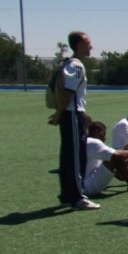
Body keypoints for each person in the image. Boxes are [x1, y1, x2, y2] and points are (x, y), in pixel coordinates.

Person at [48, 31, 97, 210]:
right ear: (78, 45)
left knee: (68, 157)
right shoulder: (76, 66)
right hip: (72, 116)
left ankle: (67, 195)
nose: (90, 46)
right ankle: (77, 197)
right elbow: (68, 93)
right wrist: (59, 114)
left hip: (73, 115)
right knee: (77, 157)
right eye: (87, 42)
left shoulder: (69, 64)